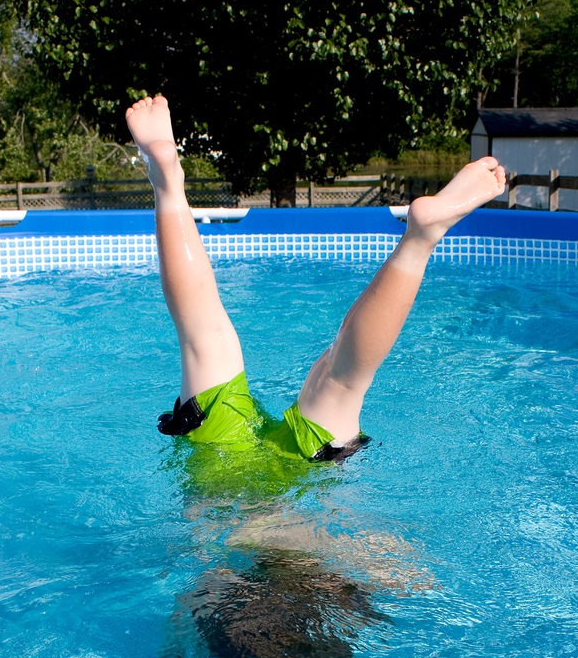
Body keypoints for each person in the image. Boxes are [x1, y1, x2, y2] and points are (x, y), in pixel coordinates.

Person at [125, 95, 506, 462]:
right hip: (257, 465)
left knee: (338, 380)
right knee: (206, 336)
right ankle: (169, 186)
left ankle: (419, 241)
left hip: (281, 471)